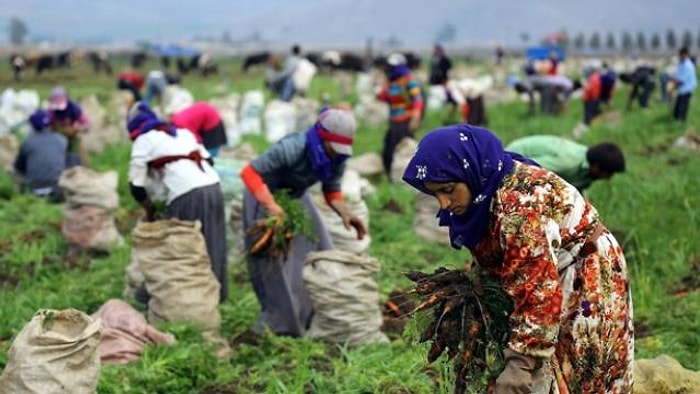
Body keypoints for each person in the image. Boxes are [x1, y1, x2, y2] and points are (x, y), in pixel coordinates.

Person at [402, 125, 633, 394]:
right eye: (436, 193)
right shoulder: (482, 192)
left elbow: (538, 289)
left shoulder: (520, 208)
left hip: (585, 267)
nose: (443, 203)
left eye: (448, 189)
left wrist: (519, 364)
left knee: (580, 367)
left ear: (471, 172)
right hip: (545, 267)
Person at [238, 108, 366, 337]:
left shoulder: (337, 157)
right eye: (333, 147)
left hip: (296, 197)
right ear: (322, 136)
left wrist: (345, 213)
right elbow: (249, 173)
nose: (337, 154)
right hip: (263, 195)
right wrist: (271, 205)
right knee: (272, 260)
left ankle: (310, 314)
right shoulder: (293, 147)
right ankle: (275, 325)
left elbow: (332, 189)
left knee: (321, 248)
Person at [126, 102, 228, 302]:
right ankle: (215, 297)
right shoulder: (182, 132)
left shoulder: (143, 140)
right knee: (212, 243)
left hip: (186, 193)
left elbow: (136, 187)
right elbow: (210, 161)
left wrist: (150, 211)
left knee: (175, 247)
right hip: (214, 186)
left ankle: (160, 297)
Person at [506, 135, 625, 191]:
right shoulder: (568, 164)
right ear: (596, 167)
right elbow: (531, 169)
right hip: (514, 158)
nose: (608, 179)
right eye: (608, 174)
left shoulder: (586, 172)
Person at [376, 53, 424, 179]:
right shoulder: (392, 82)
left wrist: (416, 115)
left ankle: (409, 178)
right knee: (388, 152)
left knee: (405, 150)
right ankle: (392, 177)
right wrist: (384, 84)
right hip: (394, 122)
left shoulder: (408, 80)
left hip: (405, 122)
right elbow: (382, 97)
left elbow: (417, 99)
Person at [13, 109, 69, 201]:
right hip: (58, 187)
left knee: (15, 172)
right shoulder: (61, 140)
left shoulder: (27, 142)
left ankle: (22, 197)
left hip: (34, 189)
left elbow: (19, 167)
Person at [47, 86, 91, 168]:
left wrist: (77, 128)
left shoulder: (74, 109)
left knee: (77, 158)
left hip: (72, 138)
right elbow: (47, 126)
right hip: (56, 139)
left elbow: (87, 125)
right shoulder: (51, 111)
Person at [673, 47, 697, 122]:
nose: (680, 56)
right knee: (678, 105)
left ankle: (681, 121)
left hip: (687, 88)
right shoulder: (681, 63)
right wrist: (674, 82)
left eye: (681, 55)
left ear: (686, 55)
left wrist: (673, 86)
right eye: (679, 55)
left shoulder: (688, 65)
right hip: (681, 88)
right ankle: (676, 118)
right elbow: (678, 75)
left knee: (683, 105)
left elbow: (682, 79)